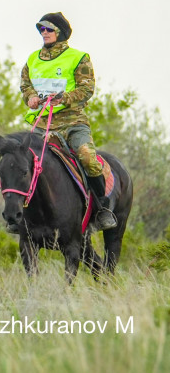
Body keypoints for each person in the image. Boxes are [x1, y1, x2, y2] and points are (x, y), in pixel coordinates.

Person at [21, 12, 116, 230]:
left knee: (87, 157)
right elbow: (26, 85)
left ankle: (102, 209)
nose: (43, 32)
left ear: (60, 32)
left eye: (48, 29)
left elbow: (87, 88)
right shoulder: (32, 59)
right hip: (43, 124)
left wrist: (64, 98)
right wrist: (31, 97)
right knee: (20, 161)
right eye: (41, 29)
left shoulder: (79, 57)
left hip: (73, 123)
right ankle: (20, 214)